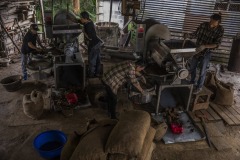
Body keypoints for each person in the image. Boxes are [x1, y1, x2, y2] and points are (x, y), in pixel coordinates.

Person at [184, 13, 224, 94]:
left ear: (218, 22)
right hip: (197, 49)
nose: (211, 23)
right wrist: (188, 35)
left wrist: (205, 46)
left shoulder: (220, 30)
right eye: (211, 20)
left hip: (207, 52)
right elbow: (195, 34)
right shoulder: (203, 25)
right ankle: (192, 82)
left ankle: (199, 87)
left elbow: (217, 44)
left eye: (213, 22)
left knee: (202, 71)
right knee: (192, 68)